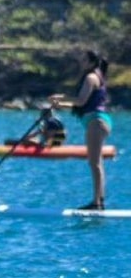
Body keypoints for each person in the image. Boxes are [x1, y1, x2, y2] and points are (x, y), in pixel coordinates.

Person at [49, 50, 113, 210]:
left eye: (84, 59)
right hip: (95, 121)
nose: (81, 62)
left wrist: (61, 98)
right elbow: (81, 103)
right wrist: (61, 103)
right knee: (95, 162)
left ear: (92, 62)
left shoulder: (91, 77)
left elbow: (80, 100)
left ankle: (96, 202)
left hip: (96, 122)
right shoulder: (93, 76)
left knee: (94, 162)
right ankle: (99, 199)